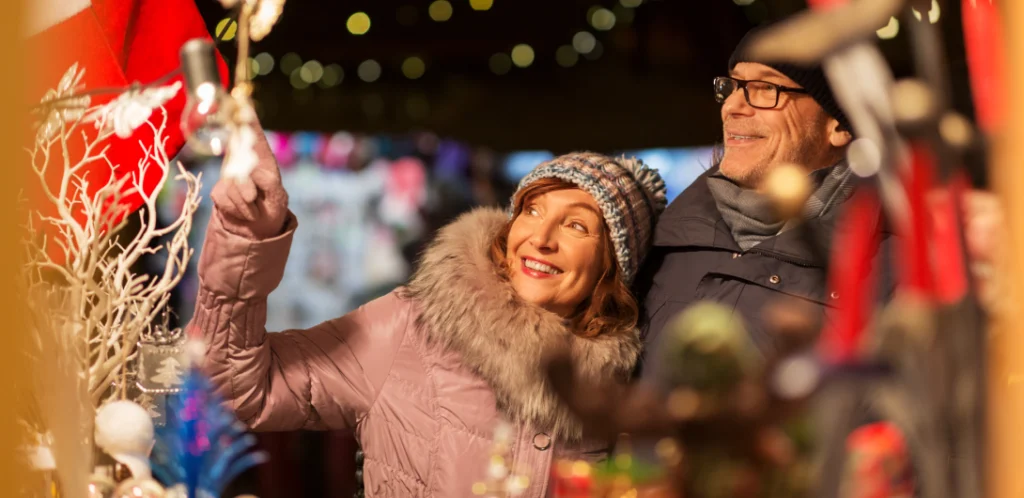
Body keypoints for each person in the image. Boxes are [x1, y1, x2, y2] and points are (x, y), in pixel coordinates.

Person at [187, 144, 667, 498]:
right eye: (532, 210)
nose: (540, 237)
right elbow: (237, 388)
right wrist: (246, 239)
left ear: (612, 265)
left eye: (576, 225)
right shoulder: (413, 327)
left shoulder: (618, 388)